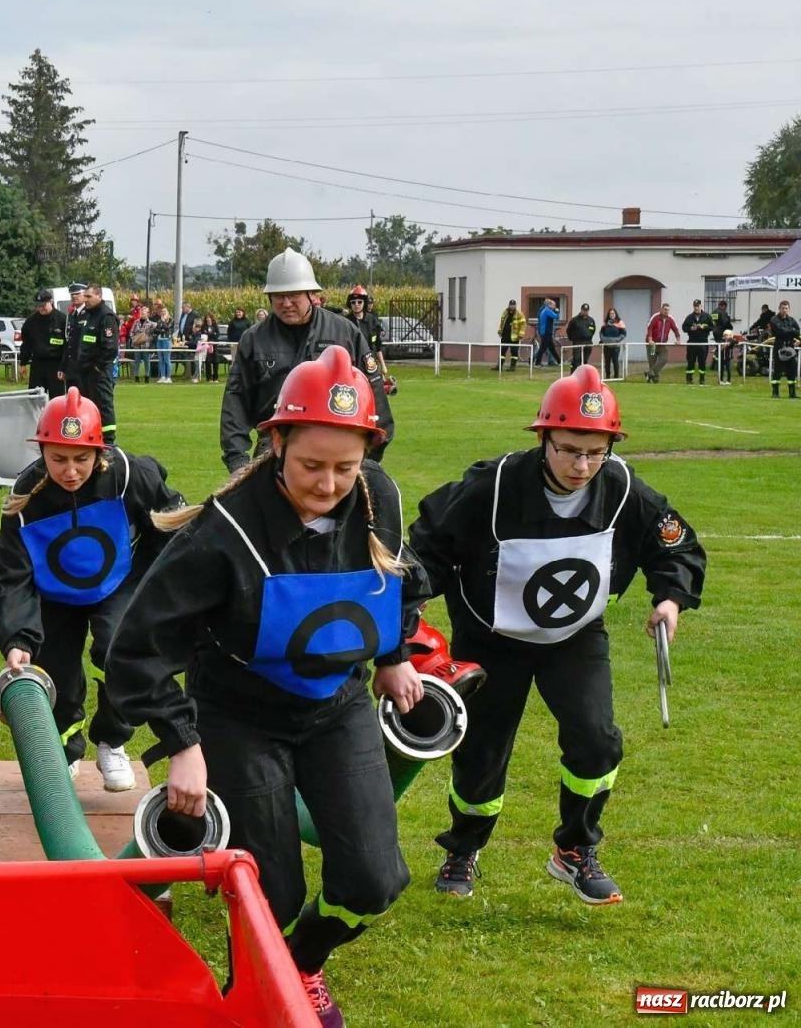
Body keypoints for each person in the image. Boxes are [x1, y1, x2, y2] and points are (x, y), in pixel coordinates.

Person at [105, 346, 424, 1026]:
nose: (329, 483)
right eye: (312, 465)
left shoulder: (380, 499)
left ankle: (301, 964)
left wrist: (394, 654)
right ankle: (256, 997)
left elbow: (394, 580)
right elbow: (140, 641)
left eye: (347, 465)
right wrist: (182, 742)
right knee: (267, 892)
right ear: (275, 441)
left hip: (337, 708)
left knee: (375, 880)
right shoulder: (224, 530)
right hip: (239, 718)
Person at [409, 365, 705, 904]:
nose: (582, 465)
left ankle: (575, 850)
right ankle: (464, 847)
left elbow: (675, 544)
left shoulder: (622, 488)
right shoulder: (491, 486)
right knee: (480, 755)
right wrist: (416, 594)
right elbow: (428, 542)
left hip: (575, 639)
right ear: (543, 437)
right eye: (568, 449)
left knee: (596, 741)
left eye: (595, 452)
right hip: (491, 642)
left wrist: (670, 597)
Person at [0, 389, 184, 791]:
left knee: (121, 649)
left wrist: (156, 589)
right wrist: (17, 636)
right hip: (54, 595)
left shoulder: (127, 474)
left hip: (117, 582)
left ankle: (113, 740)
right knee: (54, 669)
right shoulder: (25, 498)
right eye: (58, 459)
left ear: (100, 451)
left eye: (82, 459)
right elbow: (11, 574)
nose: (71, 471)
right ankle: (65, 749)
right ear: (41, 451)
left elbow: (172, 522)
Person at [221, 247, 393, 474]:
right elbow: (236, 399)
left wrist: (368, 461)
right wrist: (237, 460)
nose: (286, 302)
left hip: (336, 449)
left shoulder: (343, 332)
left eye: (294, 294)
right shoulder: (254, 339)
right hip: (272, 450)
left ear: (311, 293)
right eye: (279, 296)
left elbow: (374, 393)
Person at [62, 283, 121, 443]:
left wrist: (97, 367)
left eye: (88, 296)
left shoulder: (106, 316)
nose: (85, 300)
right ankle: (89, 435)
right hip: (85, 372)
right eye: (85, 296)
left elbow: (110, 348)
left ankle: (109, 441)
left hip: (99, 372)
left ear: (99, 296)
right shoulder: (87, 315)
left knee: (103, 405)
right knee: (86, 405)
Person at [19, 288, 67, 397]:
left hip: (56, 364)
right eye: (38, 305)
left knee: (57, 398)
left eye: (43, 305)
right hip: (38, 364)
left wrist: (64, 367)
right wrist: (23, 363)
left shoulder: (62, 320)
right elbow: (26, 344)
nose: (41, 308)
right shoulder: (31, 321)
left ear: (51, 302)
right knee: (35, 397)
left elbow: (67, 346)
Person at [770, 300, 799, 399]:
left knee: (792, 370)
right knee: (777, 371)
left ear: (789, 309)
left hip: (790, 347)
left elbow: (798, 331)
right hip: (779, 347)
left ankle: (792, 393)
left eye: (786, 308)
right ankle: (775, 393)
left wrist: (790, 331)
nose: (784, 310)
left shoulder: (791, 320)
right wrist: (792, 331)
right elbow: (780, 332)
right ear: (779, 308)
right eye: (783, 308)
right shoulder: (774, 319)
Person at [644, 303, 680, 384]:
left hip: (662, 344)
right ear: (661, 309)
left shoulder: (670, 319)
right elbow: (649, 328)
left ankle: (649, 373)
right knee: (652, 361)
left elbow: (675, 329)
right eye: (665, 309)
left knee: (664, 359)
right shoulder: (655, 317)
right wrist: (650, 340)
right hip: (652, 345)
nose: (666, 311)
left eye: (668, 310)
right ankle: (654, 379)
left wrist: (678, 340)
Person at [682, 300, 714, 386]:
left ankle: (702, 379)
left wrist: (703, 327)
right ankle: (689, 379)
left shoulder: (707, 316)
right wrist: (691, 329)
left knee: (702, 362)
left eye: (698, 306)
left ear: (701, 306)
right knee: (690, 361)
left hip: (703, 342)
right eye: (695, 306)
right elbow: (684, 327)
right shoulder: (689, 317)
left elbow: (712, 327)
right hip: (692, 342)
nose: (696, 308)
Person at [711, 303, 737, 385]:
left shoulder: (714, 312)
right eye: (725, 307)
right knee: (724, 347)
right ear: (723, 306)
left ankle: (715, 362)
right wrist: (730, 328)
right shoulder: (722, 312)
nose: (725, 309)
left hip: (715, 332)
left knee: (719, 348)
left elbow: (714, 322)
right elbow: (726, 322)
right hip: (722, 332)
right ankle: (717, 359)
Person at [565, 303, 596, 370]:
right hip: (578, 342)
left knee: (585, 359)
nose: (585, 312)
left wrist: (589, 336)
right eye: (584, 310)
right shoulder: (574, 320)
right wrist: (572, 338)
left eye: (586, 310)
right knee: (576, 359)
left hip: (588, 342)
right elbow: (569, 330)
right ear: (581, 310)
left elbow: (593, 330)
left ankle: (583, 375)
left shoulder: (591, 320)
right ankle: (573, 374)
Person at [498, 300, 526, 372]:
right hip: (505, 335)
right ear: (509, 305)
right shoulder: (505, 312)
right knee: (502, 351)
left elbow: (523, 325)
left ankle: (512, 367)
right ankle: (499, 366)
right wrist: (500, 330)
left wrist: (521, 334)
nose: (512, 306)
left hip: (514, 337)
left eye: (513, 305)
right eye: (511, 305)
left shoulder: (519, 314)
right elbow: (502, 322)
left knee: (514, 352)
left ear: (515, 305)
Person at [599, 308, 627, 380]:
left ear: (615, 314)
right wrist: (605, 340)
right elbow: (601, 334)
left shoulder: (620, 323)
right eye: (610, 313)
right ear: (608, 315)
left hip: (616, 346)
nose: (612, 315)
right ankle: (607, 376)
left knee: (615, 361)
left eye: (613, 313)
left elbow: (623, 334)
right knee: (607, 362)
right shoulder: (605, 324)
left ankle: (616, 376)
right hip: (606, 346)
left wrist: (616, 340)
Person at [151, 300, 175, 384]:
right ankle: (162, 376)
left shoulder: (171, 320)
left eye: (165, 311)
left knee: (166, 359)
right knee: (161, 359)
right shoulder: (159, 320)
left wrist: (163, 322)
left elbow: (167, 328)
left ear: (167, 312)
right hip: (159, 340)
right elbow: (156, 330)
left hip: (166, 340)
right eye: (162, 312)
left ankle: (168, 377)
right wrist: (161, 328)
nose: (163, 313)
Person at [534, 298, 561, 367]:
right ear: (549, 305)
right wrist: (557, 311)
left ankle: (559, 361)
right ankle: (537, 362)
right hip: (546, 332)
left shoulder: (545, 310)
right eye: (553, 305)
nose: (555, 307)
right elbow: (556, 317)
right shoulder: (547, 311)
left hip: (546, 331)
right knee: (543, 348)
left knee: (551, 348)